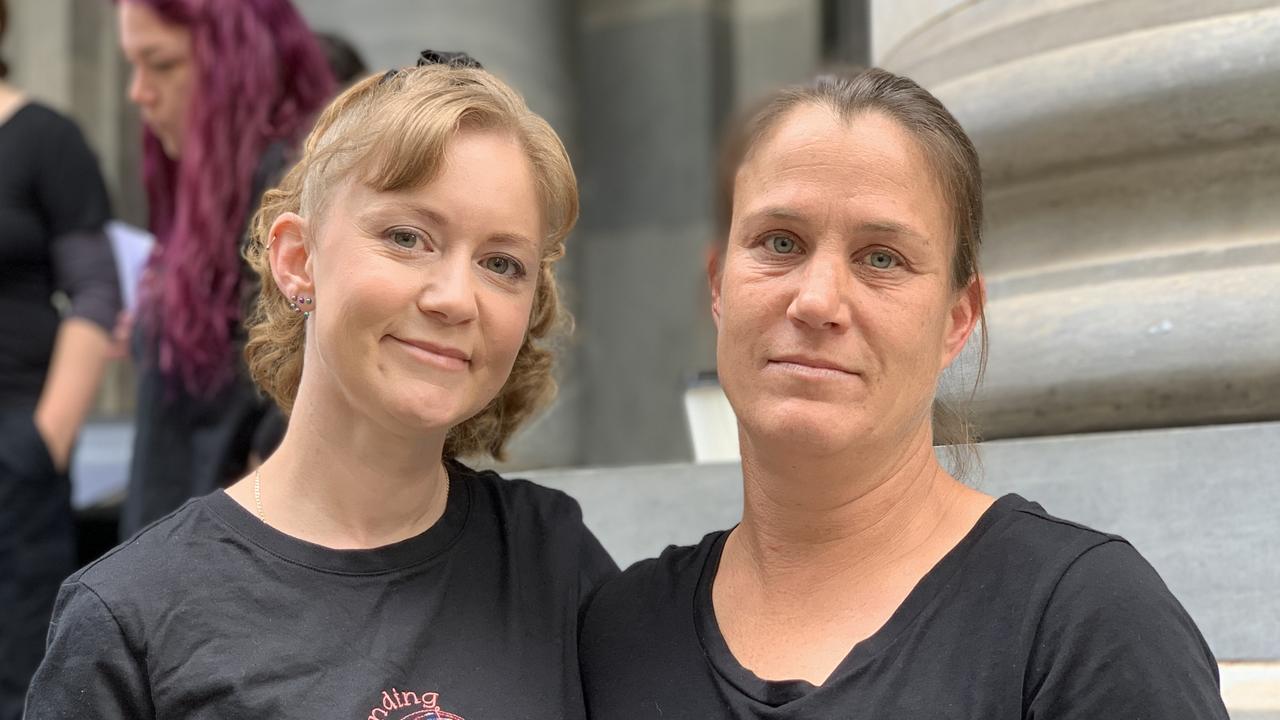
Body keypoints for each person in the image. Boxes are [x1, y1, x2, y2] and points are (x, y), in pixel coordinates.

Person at [578, 68, 1229, 719]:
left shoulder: (1086, 623)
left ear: (957, 320)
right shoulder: (622, 630)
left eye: (881, 257)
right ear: (719, 286)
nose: (817, 301)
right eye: (780, 243)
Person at [25, 53, 618, 720]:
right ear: (297, 261)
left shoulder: (553, 561)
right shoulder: (132, 617)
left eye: (502, 263)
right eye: (407, 237)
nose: (457, 298)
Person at [114, 0, 334, 537]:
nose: (138, 92)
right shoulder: (218, 184)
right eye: (133, 66)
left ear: (238, 65)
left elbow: (301, 387)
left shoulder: (290, 185)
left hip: (227, 555)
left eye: (161, 64)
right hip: (180, 539)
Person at [0, 1, 121, 716]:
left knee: (19, 668)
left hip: (13, 441)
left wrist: (45, 439)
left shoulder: (46, 139)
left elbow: (96, 289)